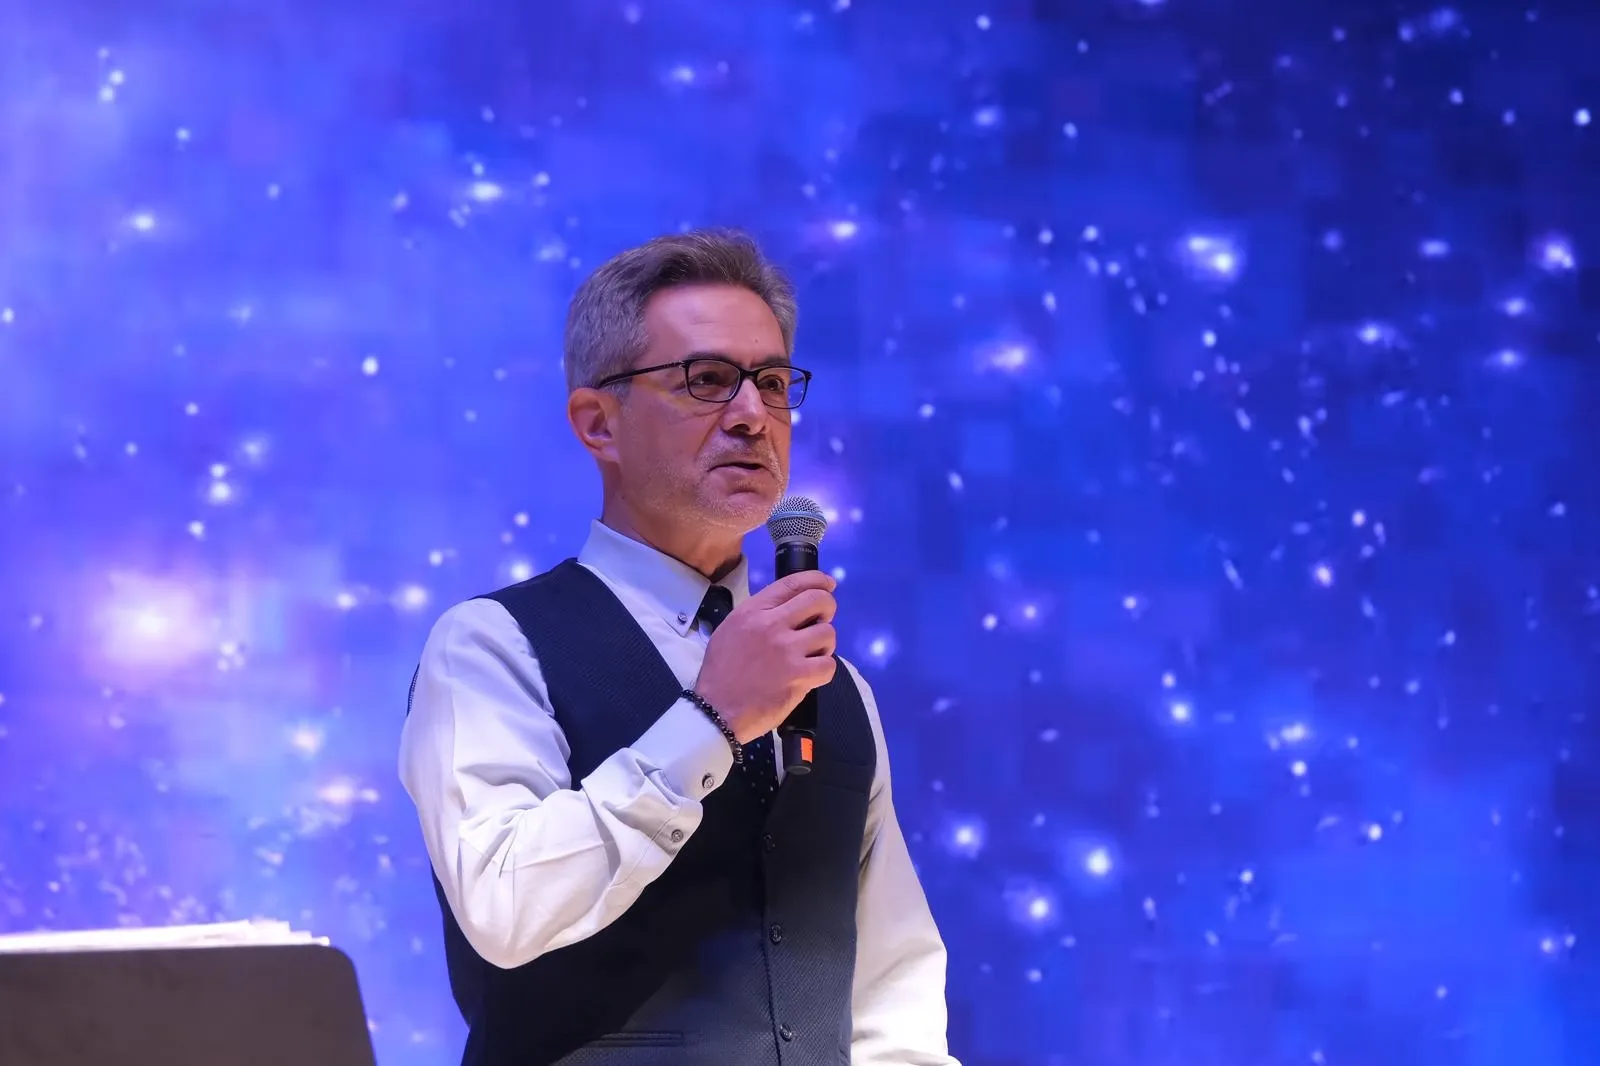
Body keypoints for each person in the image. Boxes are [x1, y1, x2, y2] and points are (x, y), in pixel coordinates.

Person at [399, 229, 959, 1066]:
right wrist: (711, 720)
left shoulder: (835, 687)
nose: (752, 416)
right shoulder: (491, 646)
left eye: (773, 383)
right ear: (599, 423)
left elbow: (892, 986)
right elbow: (505, 910)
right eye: (707, 380)